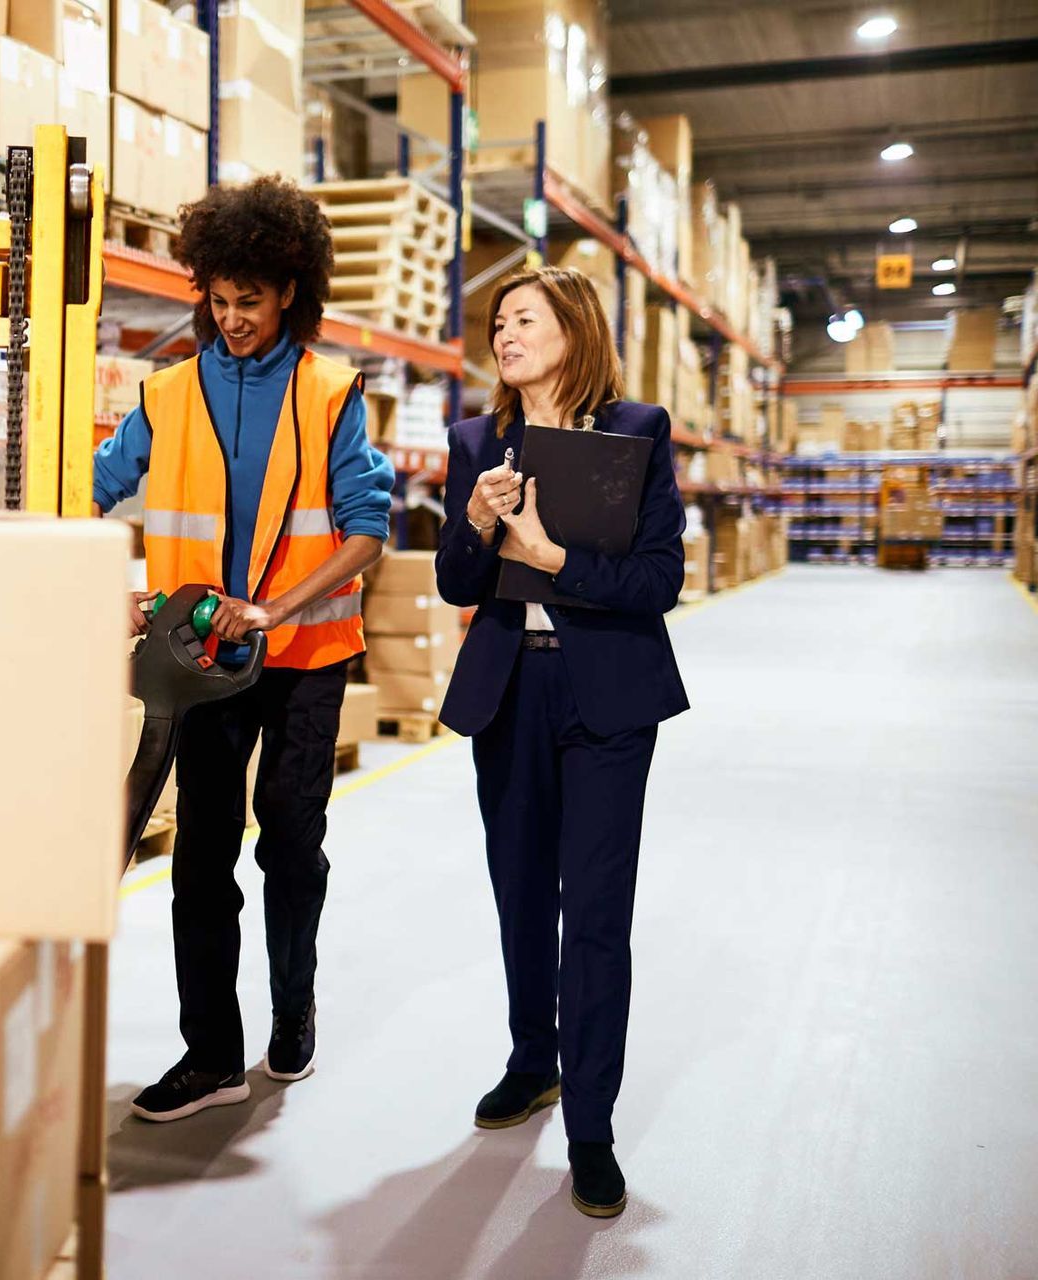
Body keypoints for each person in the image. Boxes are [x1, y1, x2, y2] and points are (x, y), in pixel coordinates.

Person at [93, 177, 396, 1122]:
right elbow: (91, 488)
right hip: (201, 662)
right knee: (200, 858)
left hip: (305, 657)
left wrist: (275, 608)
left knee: (291, 844)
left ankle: (292, 1009)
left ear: (291, 294)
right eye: (219, 301)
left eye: (251, 302)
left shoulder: (331, 391)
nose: (232, 320)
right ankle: (212, 1053)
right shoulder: (166, 393)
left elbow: (366, 530)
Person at [435, 266, 689, 1218]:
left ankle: (591, 1127)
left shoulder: (636, 433)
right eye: (497, 323)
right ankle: (530, 1061)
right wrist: (474, 523)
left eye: (524, 320)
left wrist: (553, 561)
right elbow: (461, 585)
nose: (504, 335)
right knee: (519, 894)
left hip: (606, 703)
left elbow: (659, 579)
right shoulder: (475, 441)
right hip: (511, 692)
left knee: (594, 913)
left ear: (574, 330)